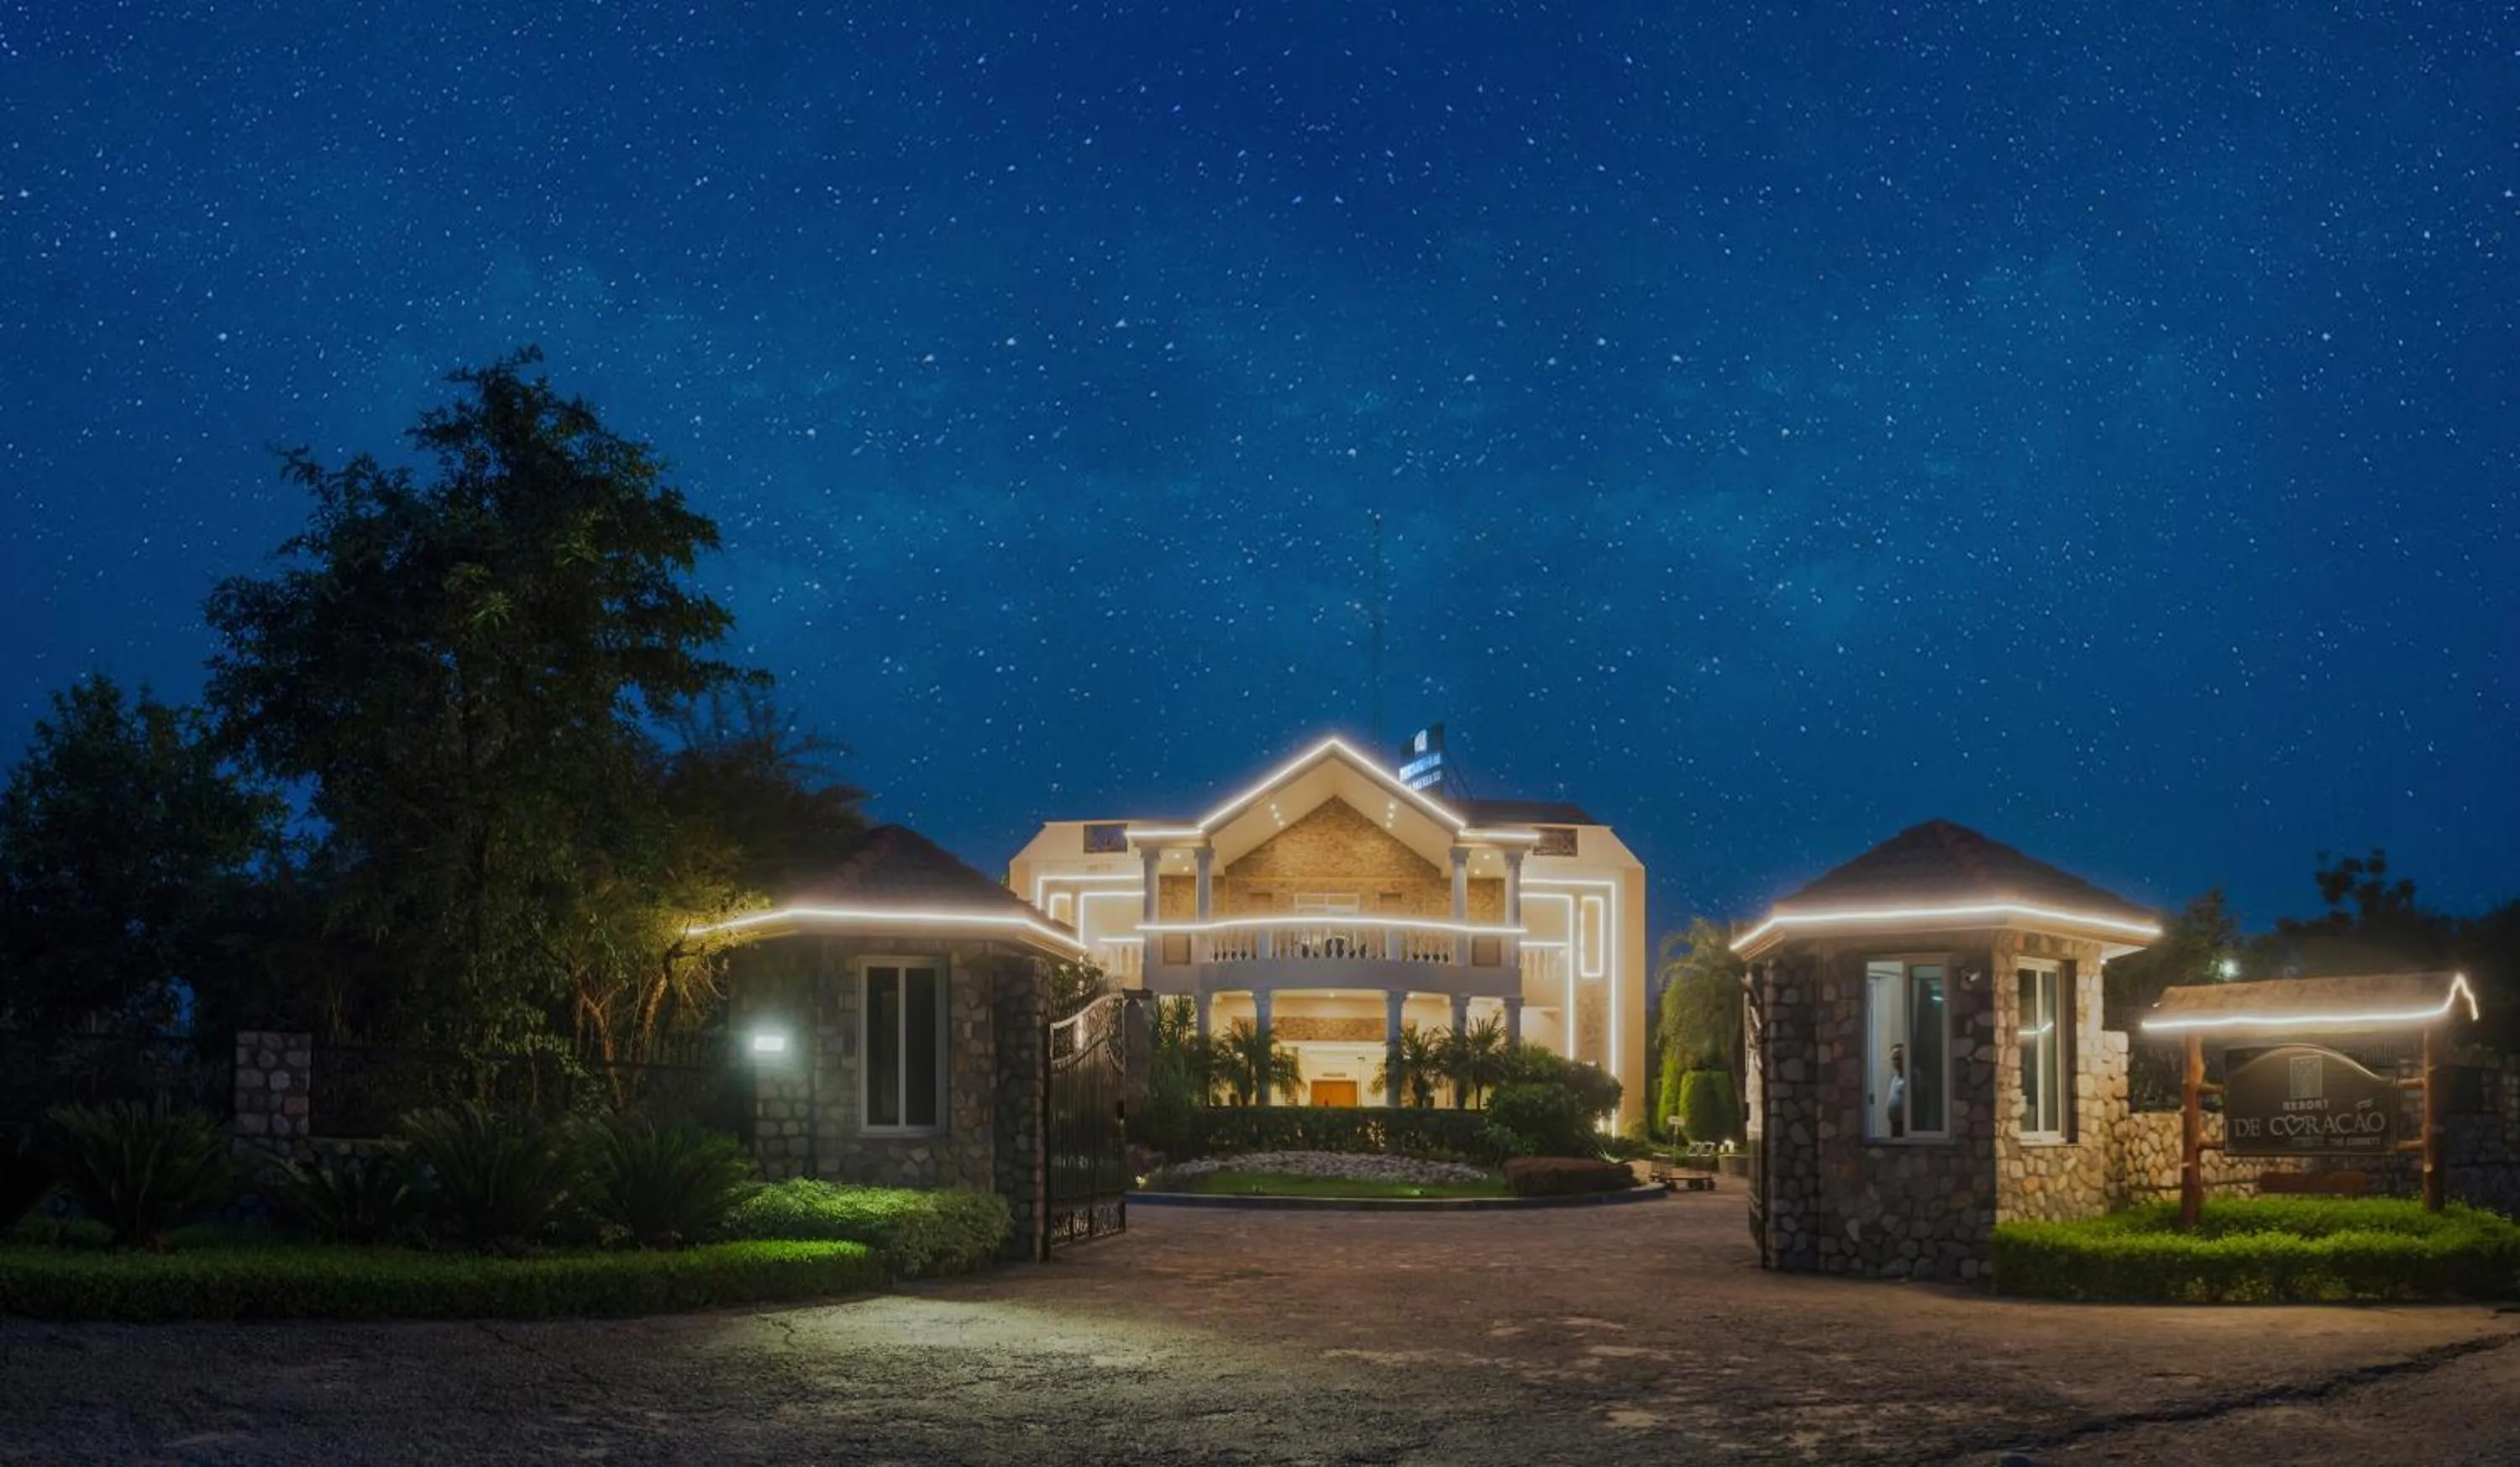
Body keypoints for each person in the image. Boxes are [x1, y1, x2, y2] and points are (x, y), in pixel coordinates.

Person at [1886, 1044, 1908, 1138]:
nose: (1896, 1062)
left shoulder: (1913, 1077)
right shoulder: (1895, 1078)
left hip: (1907, 1125)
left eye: (1898, 1058)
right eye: (1893, 1059)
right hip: (1895, 1123)